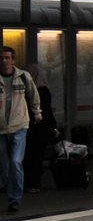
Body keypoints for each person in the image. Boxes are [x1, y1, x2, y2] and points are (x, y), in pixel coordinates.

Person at [0, 46, 43, 212]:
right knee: (4, 166)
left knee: (15, 161)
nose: (4, 61)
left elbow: (34, 95)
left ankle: (15, 199)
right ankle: (11, 193)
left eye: (7, 58)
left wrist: (37, 112)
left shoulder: (23, 77)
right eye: (1, 58)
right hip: (1, 128)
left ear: (13, 60)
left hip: (19, 125)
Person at [22, 64, 58, 193]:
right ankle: (34, 183)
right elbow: (47, 112)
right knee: (37, 156)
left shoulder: (24, 90)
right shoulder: (43, 90)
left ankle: (25, 182)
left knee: (27, 156)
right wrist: (53, 126)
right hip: (40, 128)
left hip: (26, 126)